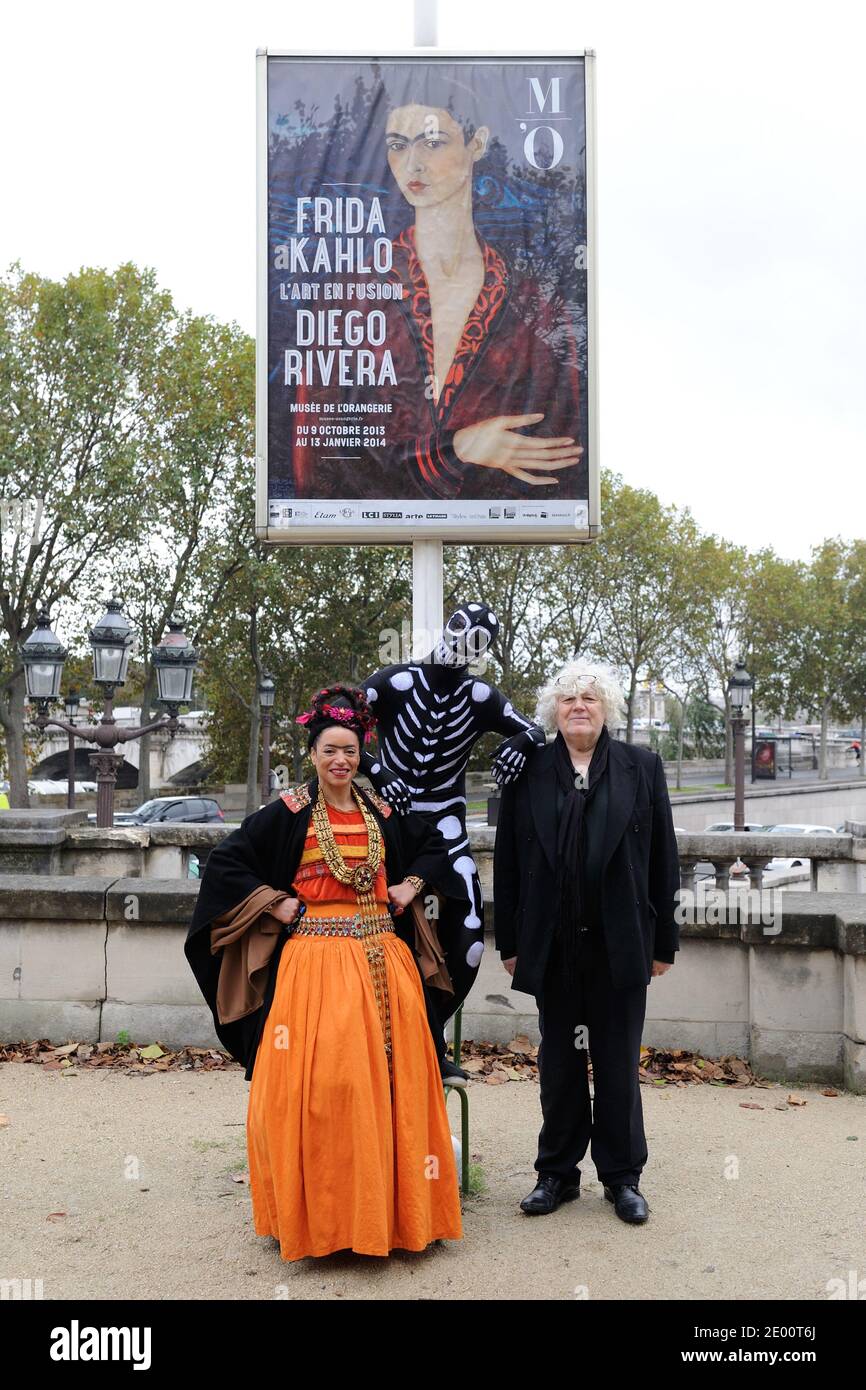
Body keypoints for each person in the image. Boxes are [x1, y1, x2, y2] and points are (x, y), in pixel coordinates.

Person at [184, 684, 462, 1261]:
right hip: (313, 969)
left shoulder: (382, 811)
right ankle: (323, 1220)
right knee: (326, 1089)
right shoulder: (286, 813)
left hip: (386, 963)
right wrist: (273, 901)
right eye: (331, 750)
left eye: (352, 752)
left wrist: (411, 884)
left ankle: (394, 1218)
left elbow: (440, 844)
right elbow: (225, 862)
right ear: (312, 753)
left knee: (393, 1086)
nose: (342, 761)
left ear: (361, 757)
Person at [288, 77, 583, 502]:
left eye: (432, 142)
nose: (413, 164)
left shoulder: (535, 308)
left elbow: (563, 467)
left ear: (476, 144)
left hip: (495, 557)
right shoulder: (350, 294)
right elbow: (317, 471)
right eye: (397, 145)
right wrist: (456, 450)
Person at [493, 662, 681, 1224]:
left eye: (590, 699)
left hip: (620, 940)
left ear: (607, 710)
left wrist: (663, 942)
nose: (579, 706)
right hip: (552, 943)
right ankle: (556, 1173)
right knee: (560, 1062)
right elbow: (508, 861)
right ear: (554, 710)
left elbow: (664, 861)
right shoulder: (530, 770)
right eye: (569, 698)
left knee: (618, 1063)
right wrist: (510, 941)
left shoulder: (641, 767)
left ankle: (623, 1178)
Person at [357, 600, 546, 1079]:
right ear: (447, 625)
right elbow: (333, 721)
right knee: (379, 931)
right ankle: (379, 1040)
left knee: (468, 940)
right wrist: (377, 770)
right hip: (387, 825)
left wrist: (522, 743)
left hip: (445, 827)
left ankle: (428, 1034)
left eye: (480, 638)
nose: (465, 640)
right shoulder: (393, 682)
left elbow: (536, 730)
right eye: (462, 626)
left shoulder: (480, 696)